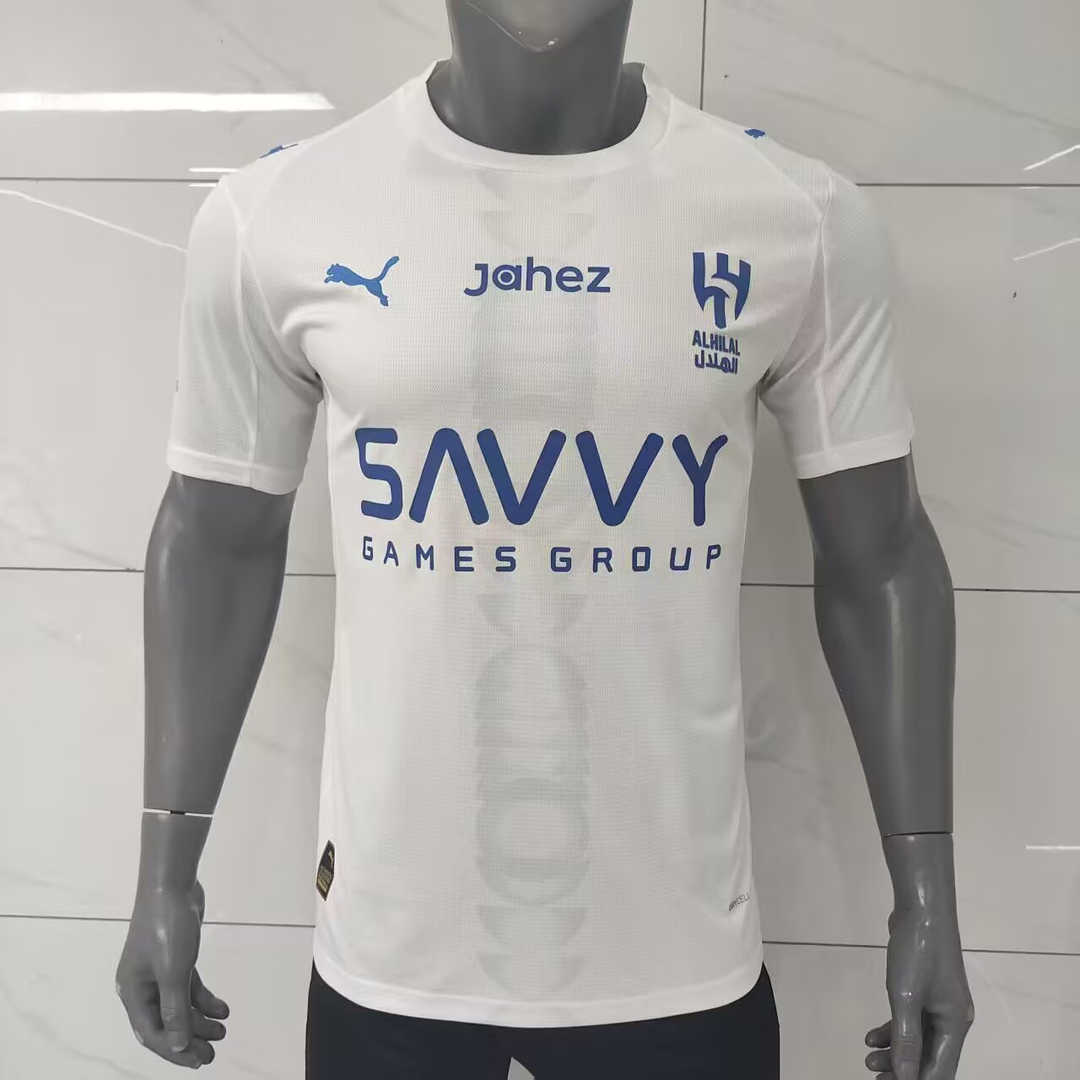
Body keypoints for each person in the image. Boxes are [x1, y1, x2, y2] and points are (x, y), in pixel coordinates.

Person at [116, 2, 974, 1077]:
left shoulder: (794, 218)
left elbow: (881, 558)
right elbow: (218, 541)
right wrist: (165, 866)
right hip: (391, 948)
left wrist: (927, 891)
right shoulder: (277, 216)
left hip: (677, 954)